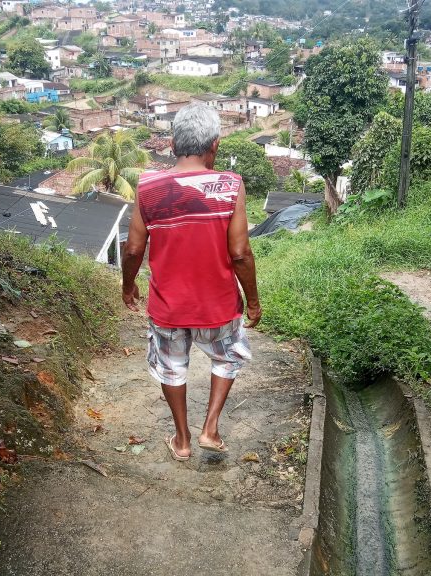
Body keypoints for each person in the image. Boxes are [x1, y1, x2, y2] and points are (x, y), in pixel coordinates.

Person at [121, 103, 262, 461]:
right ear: (214, 145)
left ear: (172, 143)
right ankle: (210, 429)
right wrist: (254, 301)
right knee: (228, 357)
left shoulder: (148, 185)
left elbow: (134, 247)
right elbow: (241, 252)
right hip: (218, 305)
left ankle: (181, 440)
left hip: (168, 307)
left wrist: (128, 285)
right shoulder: (229, 185)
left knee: (172, 368)